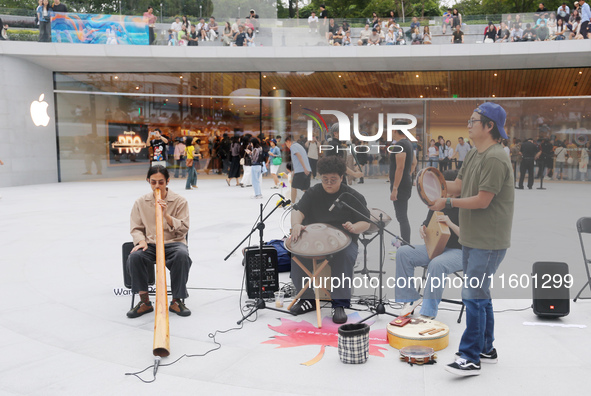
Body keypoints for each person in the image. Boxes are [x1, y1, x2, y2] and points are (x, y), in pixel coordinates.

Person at [429, 103, 514, 376]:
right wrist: (433, 185)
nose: (468, 124)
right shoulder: (475, 155)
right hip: (472, 238)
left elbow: (482, 200)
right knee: (481, 295)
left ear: (489, 126)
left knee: (472, 295)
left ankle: (470, 357)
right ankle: (486, 349)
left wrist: (447, 201)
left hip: (488, 241)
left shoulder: (496, 157)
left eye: (473, 120)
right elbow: (459, 185)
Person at [289, 156, 370, 324]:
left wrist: (355, 228)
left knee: (345, 256)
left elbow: (366, 223)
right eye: (325, 179)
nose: (328, 183)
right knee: (296, 253)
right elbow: (298, 211)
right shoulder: (314, 192)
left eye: (333, 179)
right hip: (314, 241)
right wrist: (296, 224)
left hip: (343, 242)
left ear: (342, 177)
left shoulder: (352, 196)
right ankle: (307, 299)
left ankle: (339, 303)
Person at [126, 165, 192, 318]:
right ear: (148, 181)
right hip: (150, 244)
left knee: (182, 255)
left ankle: (176, 300)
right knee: (134, 257)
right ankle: (144, 302)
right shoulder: (140, 202)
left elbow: (183, 229)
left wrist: (166, 215)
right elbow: (136, 228)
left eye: (161, 182)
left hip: (173, 243)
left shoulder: (180, 201)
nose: (157, 186)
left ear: (167, 181)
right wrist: (141, 241)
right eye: (153, 182)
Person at [396, 170, 462, 320]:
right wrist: (423, 228)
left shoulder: (465, 205)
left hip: (459, 250)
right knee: (403, 252)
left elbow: (469, 236)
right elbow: (427, 223)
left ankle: (427, 312)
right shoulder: (438, 202)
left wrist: (450, 223)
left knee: (437, 264)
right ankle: (409, 300)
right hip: (437, 247)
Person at [389, 121, 418, 245]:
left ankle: (406, 246)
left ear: (395, 130)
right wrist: (408, 174)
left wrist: (395, 188)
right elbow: (414, 162)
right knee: (402, 216)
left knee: (402, 217)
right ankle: (405, 244)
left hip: (400, 185)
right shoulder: (408, 144)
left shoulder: (400, 145)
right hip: (405, 182)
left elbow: (399, 168)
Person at [285, 135, 311, 203]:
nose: (287, 146)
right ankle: (307, 204)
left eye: (286, 144)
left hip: (301, 171)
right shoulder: (299, 146)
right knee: (305, 189)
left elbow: (299, 156)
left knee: (293, 187)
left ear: (288, 141)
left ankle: (292, 203)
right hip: (308, 170)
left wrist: (304, 168)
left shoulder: (293, 146)